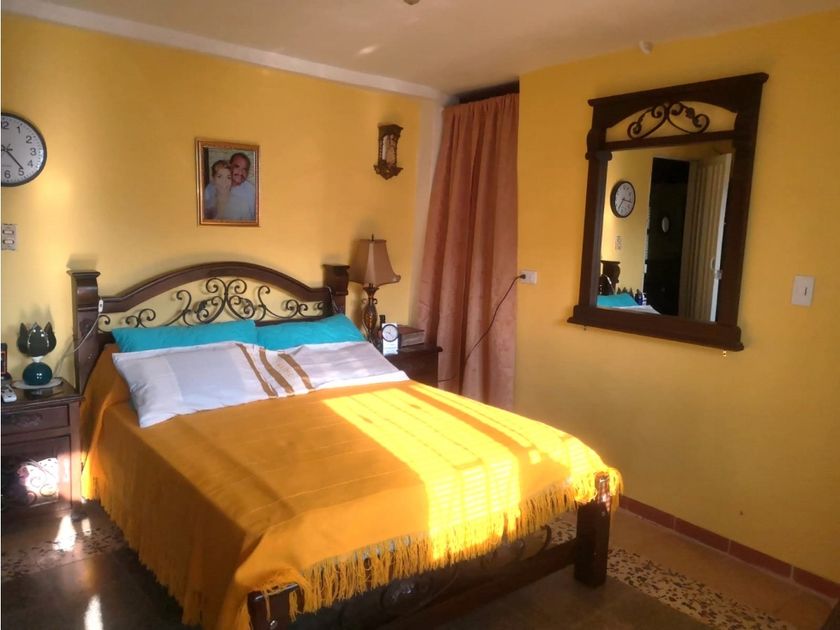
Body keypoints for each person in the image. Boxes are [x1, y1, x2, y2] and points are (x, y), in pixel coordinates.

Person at [203, 151, 256, 221]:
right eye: (237, 167)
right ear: (230, 166)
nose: (240, 172)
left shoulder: (251, 191)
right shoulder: (211, 187)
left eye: (245, 169)